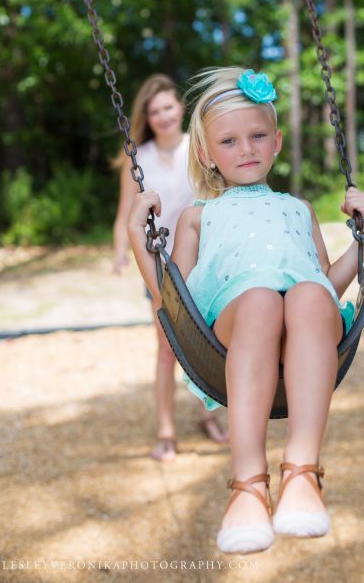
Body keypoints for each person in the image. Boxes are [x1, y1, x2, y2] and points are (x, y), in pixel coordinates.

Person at [127, 67, 364, 553]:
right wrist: (141, 237)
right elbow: (172, 299)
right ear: (205, 153)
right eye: (229, 141)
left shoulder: (298, 209)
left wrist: (363, 243)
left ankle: (302, 472)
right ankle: (248, 484)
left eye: (258, 135)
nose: (246, 149)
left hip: (307, 322)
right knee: (262, 299)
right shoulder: (197, 216)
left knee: (308, 294)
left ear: (277, 141)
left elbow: (325, 282)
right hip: (236, 328)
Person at [113, 74, 228, 462]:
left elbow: (220, 196)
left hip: (203, 256)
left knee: (209, 344)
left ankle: (206, 415)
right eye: (154, 110)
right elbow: (125, 212)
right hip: (160, 260)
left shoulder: (198, 148)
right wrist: (120, 253)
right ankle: (166, 430)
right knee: (166, 348)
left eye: (168, 107)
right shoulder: (138, 156)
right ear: (147, 117)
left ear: (181, 108)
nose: (162, 115)